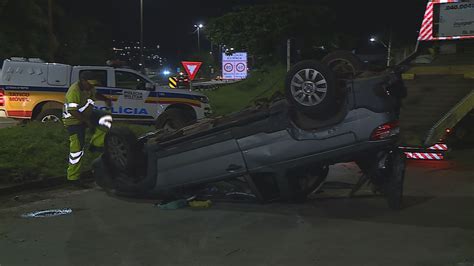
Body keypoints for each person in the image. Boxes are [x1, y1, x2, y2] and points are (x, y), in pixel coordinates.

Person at [62, 71, 113, 184]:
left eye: (93, 84)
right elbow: (73, 111)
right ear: (83, 80)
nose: (92, 86)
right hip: (73, 121)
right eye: (90, 83)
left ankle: (96, 145)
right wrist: (87, 122)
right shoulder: (74, 91)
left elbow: (95, 94)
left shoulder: (89, 88)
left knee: (105, 118)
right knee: (77, 150)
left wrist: (106, 99)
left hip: (86, 114)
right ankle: (73, 178)